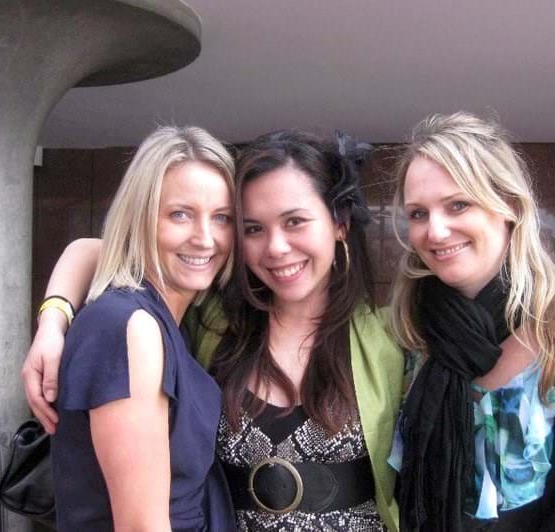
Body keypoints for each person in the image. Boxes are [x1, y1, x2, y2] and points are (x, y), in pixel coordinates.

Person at [22, 130, 404, 530]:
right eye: (253, 228)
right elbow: (98, 249)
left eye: (294, 221)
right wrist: (52, 319)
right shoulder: (214, 322)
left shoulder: (387, 338)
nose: (276, 247)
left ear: (340, 223)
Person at [387, 112, 555, 532]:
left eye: (458, 205)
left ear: (510, 206)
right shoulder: (407, 329)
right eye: (419, 213)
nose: (435, 231)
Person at [46, 125, 237, 531]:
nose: (205, 239)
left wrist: (52, 314)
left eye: (221, 217)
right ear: (140, 219)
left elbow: (89, 249)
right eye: (180, 214)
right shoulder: (131, 327)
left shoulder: (161, 317)